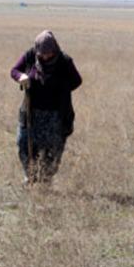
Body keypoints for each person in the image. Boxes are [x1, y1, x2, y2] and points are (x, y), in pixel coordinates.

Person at [10, 30, 82, 185]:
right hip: (31, 113)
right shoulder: (30, 55)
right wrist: (21, 77)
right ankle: (29, 176)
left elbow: (77, 81)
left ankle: (44, 181)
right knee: (24, 144)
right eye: (42, 54)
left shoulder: (64, 61)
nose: (45, 57)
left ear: (55, 49)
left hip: (55, 115)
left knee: (52, 150)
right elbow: (14, 71)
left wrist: (61, 89)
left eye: (49, 53)